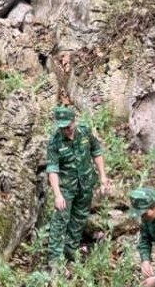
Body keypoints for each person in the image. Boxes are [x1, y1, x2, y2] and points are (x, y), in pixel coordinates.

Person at [45, 105, 110, 267]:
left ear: (74, 121)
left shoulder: (85, 132)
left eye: (68, 126)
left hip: (86, 184)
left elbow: (96, 151)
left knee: (79, 219)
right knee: (60, 220)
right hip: (66, 188)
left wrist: (103, 177)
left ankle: (71, 251)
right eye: (62, 127)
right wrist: (57, 194)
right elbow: (52, 169)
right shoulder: (54, 141)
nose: (66, 130)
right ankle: (54, 261)